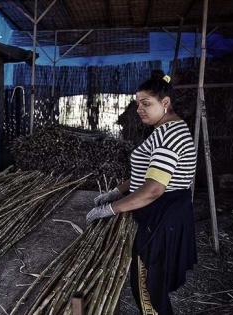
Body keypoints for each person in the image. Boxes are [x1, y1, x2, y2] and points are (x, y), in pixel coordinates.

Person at [86, 71, 197, 315]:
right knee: (151, 286)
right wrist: (117, 191)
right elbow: (147, 173)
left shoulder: (169, 136)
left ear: (165, 103)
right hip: (163, 213)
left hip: (162, 216)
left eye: (146, 103)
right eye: (138, 104)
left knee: (147, 290)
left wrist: (110, 209)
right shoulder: (164, 130)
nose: (140, 109)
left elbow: (154, 189)